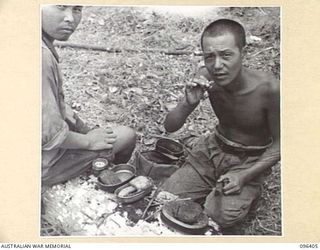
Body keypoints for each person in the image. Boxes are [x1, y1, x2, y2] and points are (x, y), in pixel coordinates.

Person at [162, 19, 280, 229]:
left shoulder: (269, 90)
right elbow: (170, 127)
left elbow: (282, 143)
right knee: (165, 198)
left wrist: (244, 176)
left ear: (243, 52)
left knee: (218, 217)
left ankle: (252, 187)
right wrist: (188, 104)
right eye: (210, 56)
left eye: (226, 55)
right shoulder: (206, 77)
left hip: (249, 159)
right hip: (211, 151)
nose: (217, 65)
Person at [41, 5, 136, 187]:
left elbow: (49, 105)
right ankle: (105, 182)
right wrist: (88, 141)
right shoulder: (41, 58)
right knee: (126, 135)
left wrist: (83, 127)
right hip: (39, 165)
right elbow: (48, 137)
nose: (70, 18)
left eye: (77, 9)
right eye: (61, 7)